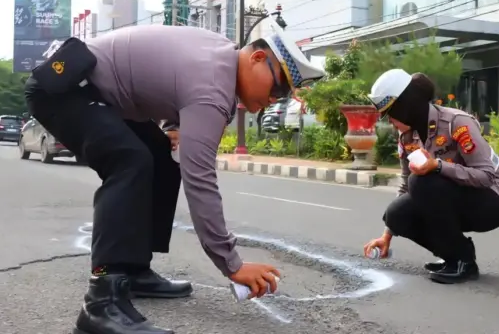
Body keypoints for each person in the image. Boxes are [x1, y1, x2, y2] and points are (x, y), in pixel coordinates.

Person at [24, 18, 325, 334]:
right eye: (277, 86)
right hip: (64, 87)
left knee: (160, 154)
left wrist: (171, 129)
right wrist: (232, 264)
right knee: (130, 161)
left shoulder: (218, 55)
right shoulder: (214, 86)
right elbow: (201, 180)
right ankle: (101, 300)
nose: (276, 98)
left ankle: (134, 270)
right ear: (257, 58)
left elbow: (166, 81)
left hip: (97, 91)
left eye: (285, 93)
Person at [363, 70, 499, 284]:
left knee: (423, 182)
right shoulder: (407, 138)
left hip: (494, 199)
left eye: (391, 113)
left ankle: (463, 262)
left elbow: (486, 177)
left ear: (406, 105)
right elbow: (406, 188)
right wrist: (387, 235)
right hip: (453, 197)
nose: (390, 121)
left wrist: (438, 166)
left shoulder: (457, 123)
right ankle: (455, 254)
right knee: (397, 213)